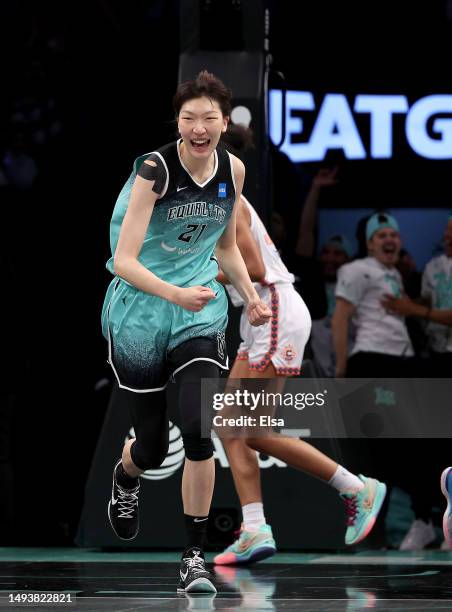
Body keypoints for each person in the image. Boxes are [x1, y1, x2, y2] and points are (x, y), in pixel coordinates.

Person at [100, 71, 272, 593]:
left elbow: (224, 248)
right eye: (188, 118)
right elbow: (123, 260)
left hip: (199, 310)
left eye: (209, 118)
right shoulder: (154, 170)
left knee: (199, 429)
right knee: (151, 448)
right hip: (141, 311)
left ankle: (192, 557)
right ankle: (126, 477)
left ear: (224, 122)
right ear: (177, 121)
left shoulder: (231, 170)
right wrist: (173, 293)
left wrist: (249, 293)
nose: (199, 127)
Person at [212, 125, 386, 566]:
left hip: (270, 308)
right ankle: (254, 529)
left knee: (253, 430)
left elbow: (250, 267)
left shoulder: (224, 201)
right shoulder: (211, 203)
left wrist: (188, 278)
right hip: (257, 317)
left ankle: (356, 487)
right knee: (230, 427)